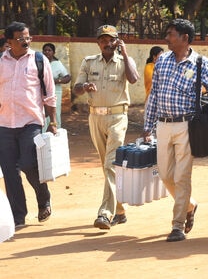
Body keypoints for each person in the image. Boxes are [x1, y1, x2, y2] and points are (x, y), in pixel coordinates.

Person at [143, 19, 208, 242]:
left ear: (184, 38)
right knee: (165, 174)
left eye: (171, 34)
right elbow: (154, 94)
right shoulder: (161, 61)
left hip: (186, 126)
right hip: (162, 125)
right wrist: (147, 126)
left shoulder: (200, 63)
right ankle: (190, 205)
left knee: (181, 176)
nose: (167, 38)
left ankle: (177, 225)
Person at [73, 25, 139, 230]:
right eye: (103, 40)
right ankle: (120, 209)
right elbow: (76, 88)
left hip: (118, 117)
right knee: (107, 166)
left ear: (117, 41)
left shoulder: (125, 62)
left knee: (111, 164)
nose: (107, 43)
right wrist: (84, 88)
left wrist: (125, 53)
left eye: (111, 39)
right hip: (95, 117)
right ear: (98, 43)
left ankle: (105, 213)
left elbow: (133, 78)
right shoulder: (89, 62)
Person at [0, 21, 57, 228]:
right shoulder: (1, 61)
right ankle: (18, 217)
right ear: (9, 41)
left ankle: (43, 199)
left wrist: (53, 121)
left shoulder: (39, 60)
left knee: (28, 163)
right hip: (4, 124)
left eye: (28, 37)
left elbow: (49, 94)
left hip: (31, 122)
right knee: (9, 172)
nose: (26, 42)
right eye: (21, 38)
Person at [42, 43, 71, 127]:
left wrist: (57, 80)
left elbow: (67, 77)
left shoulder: (57, 64)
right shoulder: (39, 63)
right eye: (45, 50)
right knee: (42, 113)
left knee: (55, 111)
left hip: (55, 92)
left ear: (53, 52)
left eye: (49, 50)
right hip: (41, 92)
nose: (47, 52)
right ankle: (42, 134)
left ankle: (55, 130)